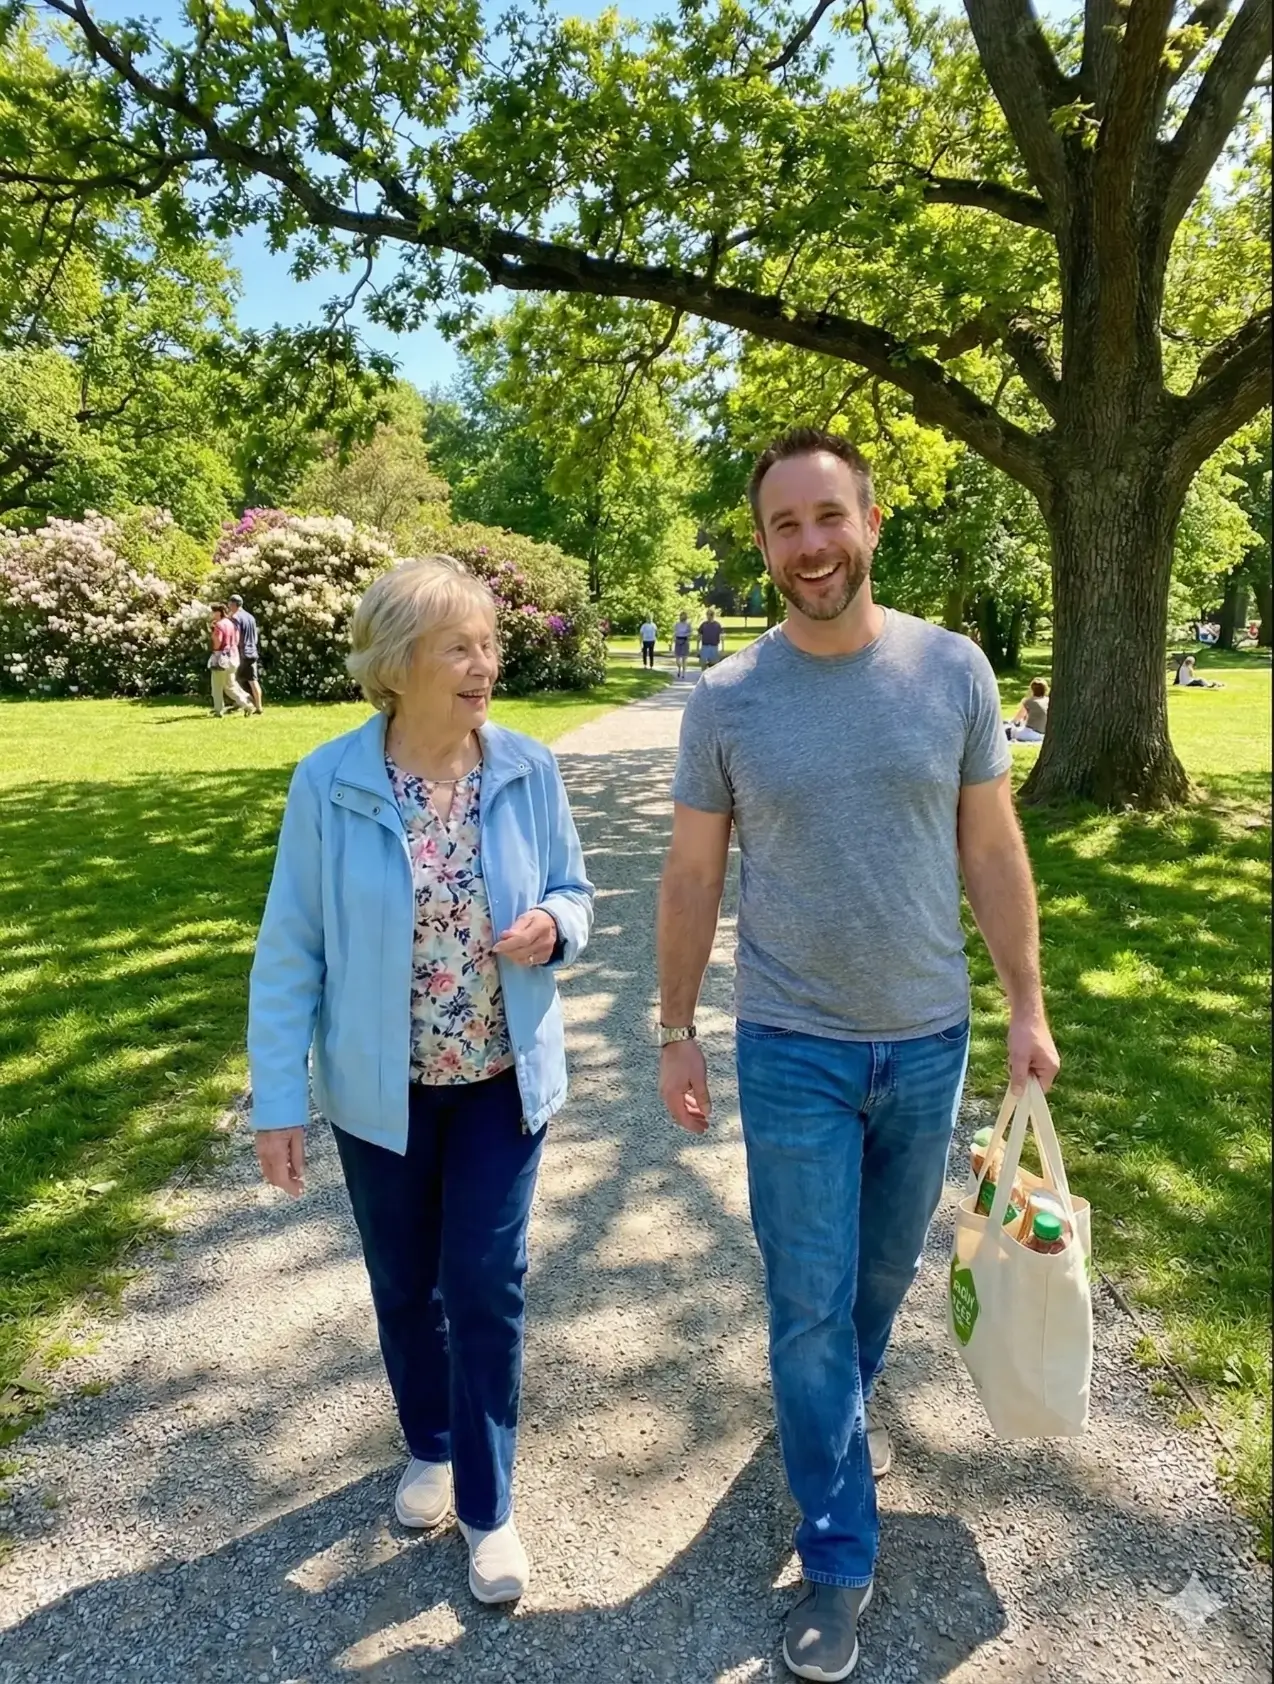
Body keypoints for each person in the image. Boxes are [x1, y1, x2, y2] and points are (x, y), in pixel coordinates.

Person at [656, 428, 1059, 1683]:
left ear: (870, 523)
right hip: (789, 1050)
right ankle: (838, 1554)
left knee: (872, 1288)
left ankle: (821, 1408)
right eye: (783, 526)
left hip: (925, 1042)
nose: (809, 546)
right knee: (806, 1304)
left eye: (827, 517)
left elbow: (990, 850)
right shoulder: (725, 700)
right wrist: (673, 1026)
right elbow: (690, 871)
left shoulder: (952, 670)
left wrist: (1025, 1006)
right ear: (762, 544)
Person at [247, 556, 594, 1608]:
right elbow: (290, 947)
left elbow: (576, 890)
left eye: (488, 643)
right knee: (405, 1284)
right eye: (459, 646)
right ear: (396, 666)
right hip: (379, 1092)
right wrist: (276, 1097)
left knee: (483, 1284)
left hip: (499, 1082)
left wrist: (555, 926)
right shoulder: (331, 781)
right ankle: (430, 1446)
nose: (484, 663)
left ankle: (489, 1509)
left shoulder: (526, 769)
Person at [207, 603, 253, 716]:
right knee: (230, 686)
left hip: (221, 658)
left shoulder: (219, 625)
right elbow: (236, 640)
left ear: (218, 612)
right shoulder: (231, 624)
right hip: (234, 657)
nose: (212, 614)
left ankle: (218, 710)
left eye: (213, 612)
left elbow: (218, 643)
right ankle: (247, 705)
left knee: (217, 686)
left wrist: (212, 634)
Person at [229, 592, 263, 713]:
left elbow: (235, 636)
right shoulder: (250, 617)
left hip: (242, 652)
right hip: (252, 651)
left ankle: (253, 704)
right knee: (250, 679)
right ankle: (249, 704)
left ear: (233, 605)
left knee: (234, 680)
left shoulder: (235, 618)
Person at [1006, 677, 1050, 743]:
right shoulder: (1048, 700)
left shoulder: (1029, 701)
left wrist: (1012, 722)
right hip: (1044, 734)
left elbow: (1017, 719)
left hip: (1031, 734)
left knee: (1007, 730)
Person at [673, 612, 693, 679]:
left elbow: (690, 633)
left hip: (685, 641)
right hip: (678, 641)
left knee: (684, 659)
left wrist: (687, 635)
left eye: (684, 616)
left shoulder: (688, 624)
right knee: (677, 659)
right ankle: (679, 668)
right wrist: (674, 638)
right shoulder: (677, 624)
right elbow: (675, 632)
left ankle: (683, 673)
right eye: (681, 616)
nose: (682, 617)